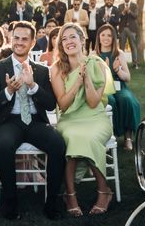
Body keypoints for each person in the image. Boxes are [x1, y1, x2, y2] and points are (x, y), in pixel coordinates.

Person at [0, 21, 66, 220]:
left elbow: (50, 105)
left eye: (24, 39)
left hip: (35, 122)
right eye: (16, 38)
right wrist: (9, 91)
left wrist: (33, 86)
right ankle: (10, 202)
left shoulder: (41, 70)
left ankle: (52, 201)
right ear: (11, 39)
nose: (19, 42)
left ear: (32, 43)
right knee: (4, 144)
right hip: (9, 121)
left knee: (57, 143)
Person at [51, 23, 113, 217]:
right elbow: (63, 104)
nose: (69, 41)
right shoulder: (57, 69)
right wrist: (77, 81)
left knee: (89, 138)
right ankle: (70, 194)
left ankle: (104, 191)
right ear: (61, 44)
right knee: (73, 137)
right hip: (70, 119)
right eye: (64, 39)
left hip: (95, 118)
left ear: (81, 39)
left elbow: (94, 102)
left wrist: (86, 78)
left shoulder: (98, 64)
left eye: (72, 37)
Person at [94, 24, 140, 150]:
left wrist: (117, 69)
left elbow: (128, 77)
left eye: (109, 35)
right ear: (98, 37)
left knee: (127, 100)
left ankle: (128, 137)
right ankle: (109, 135)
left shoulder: (119, 53)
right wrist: (105, 70)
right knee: (110, 101)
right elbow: (93, 78)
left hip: (119, 86)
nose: (106, 38)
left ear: (114, 38)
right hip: (103, 87)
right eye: (103, 35)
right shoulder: (94, 55)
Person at [118, 0, 139, 67]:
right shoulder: (120, 6)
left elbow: (136, 15)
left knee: (133, 46)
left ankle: (135, 63)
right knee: (121, 47)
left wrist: (129, 11)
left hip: (132, 28)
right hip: (122, 28)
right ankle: (121, 64)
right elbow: (118, 16)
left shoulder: (134, 5)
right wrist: (123, 12)